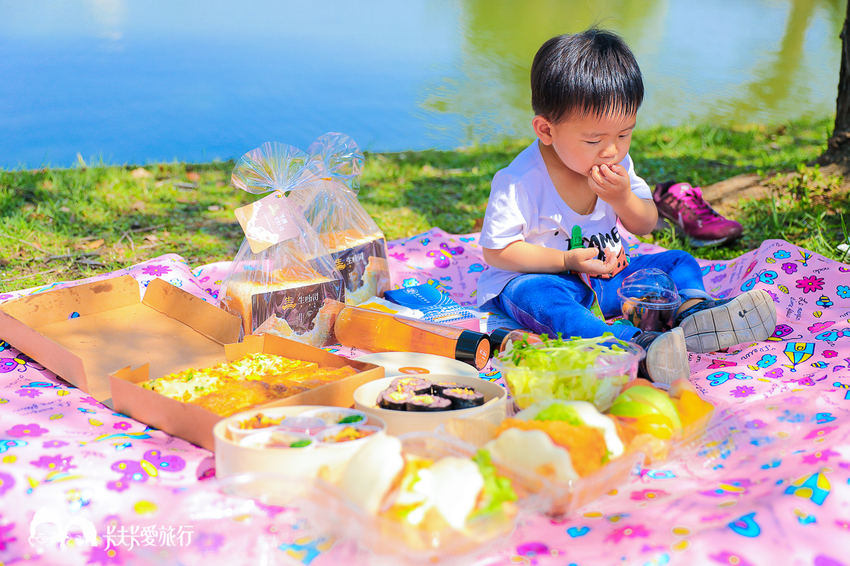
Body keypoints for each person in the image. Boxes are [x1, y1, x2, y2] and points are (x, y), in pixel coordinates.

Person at [476, 28, 777, 384]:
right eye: (593, 139)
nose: (611, 150)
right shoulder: (520, 180)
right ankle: (632, 346)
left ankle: (694, 314)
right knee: (540, 298)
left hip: (608, 278)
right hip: (544, 280)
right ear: (546, 130)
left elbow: (646, 223)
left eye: (624, 133)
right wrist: (564, 261)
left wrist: (622, 198)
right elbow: (498, 251)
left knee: (677, 261)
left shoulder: (618, 164)